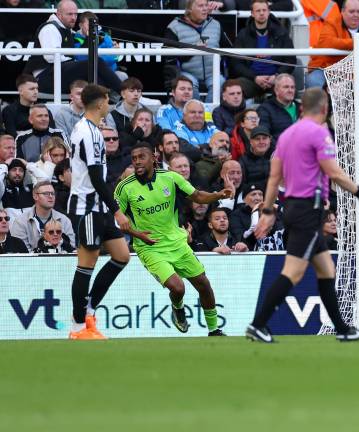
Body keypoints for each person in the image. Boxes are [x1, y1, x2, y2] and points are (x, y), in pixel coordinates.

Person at [247, 88, 359, 343]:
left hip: (296, 208)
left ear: (301, 108)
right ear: (325, 108)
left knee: (327, 269)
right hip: (308, 211)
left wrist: (268, 210)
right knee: (293, 272)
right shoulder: (319, 133)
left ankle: (342, 329)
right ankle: (258, 324)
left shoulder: (286, 135)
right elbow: (334, 172)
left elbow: (274, 178)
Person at [115, 143, 233, 336]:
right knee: (178, 288)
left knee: (203, 284)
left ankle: (214, 330)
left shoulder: (171, 177)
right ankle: (178, 308)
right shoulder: (124, 188)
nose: (137, 162)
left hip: (177, 242)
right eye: (134, 158)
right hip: (150, 247)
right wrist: (139, 235)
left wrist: (218, 194)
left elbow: (197, 196)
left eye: (141, 157)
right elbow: (118, 220)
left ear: (154, 158)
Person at [67, 84, 136, 340]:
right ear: (99, 103)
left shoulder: (92, 129)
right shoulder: (88, 133)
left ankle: (89, 311)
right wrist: (117, 210)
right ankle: (78, 326)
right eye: (107, 100)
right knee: (87, 263)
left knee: (121, 255)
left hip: (98, 205)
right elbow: (96, 177)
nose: (109, 104)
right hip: (87, 206)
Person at [25, 0, 121, 95]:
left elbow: (81, 36)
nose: (73, 18)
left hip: (59, 74)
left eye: (75, 14)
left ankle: (106, 100)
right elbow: (51, 57)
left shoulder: (67, 30)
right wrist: (76, 62)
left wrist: (108, 44)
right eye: (69, 14)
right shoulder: (50, 29)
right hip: (45, 79)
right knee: (96, 62)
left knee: (95, 73)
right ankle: (123, 92)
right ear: (59, 14)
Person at [230, 0, 297, 101]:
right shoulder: (243, 34)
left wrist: (276, 76)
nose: (261, 13)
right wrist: (255, 77)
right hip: (251, 79)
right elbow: (236, 63)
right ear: (252, 13)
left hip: (276, 79)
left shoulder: (281, 33)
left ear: (269, 12)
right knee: (232, 89)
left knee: (288, 89)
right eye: (258, 11)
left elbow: (291, 60)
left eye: (264, 10)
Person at [306, 0, 359, 89]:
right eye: (351, 12)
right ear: (342, 12)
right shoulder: (331, 23)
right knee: (313, 80)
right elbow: (327, 42)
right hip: (328, 70)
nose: (356, 15)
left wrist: (346, 44)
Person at [164, 0, 224, 102]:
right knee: (189, 85)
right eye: (200, 6)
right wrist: (193, 49)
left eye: (206, 5)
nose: (205, 9)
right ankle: (194, 110)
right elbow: (169, 56)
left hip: (213, 72)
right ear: (189, 9)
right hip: (187, 72)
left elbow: (228, 48)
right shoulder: (174, 26)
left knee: (220, 82)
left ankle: (208, 111)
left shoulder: (216, 24)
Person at [10, 180, 75, 252]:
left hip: (60, 258)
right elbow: (21, 252)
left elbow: (71, 249)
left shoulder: (64, 220)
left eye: (52, 193)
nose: (51, 196)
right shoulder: (20, 222)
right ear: (35, 196)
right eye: (46, 193)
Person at [256, 74, 300, 141]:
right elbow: (264, 136)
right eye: (286, 87)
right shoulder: (265, 109)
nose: (290, 90)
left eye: (292, 87)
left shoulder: (303, 108)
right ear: (276, 90)